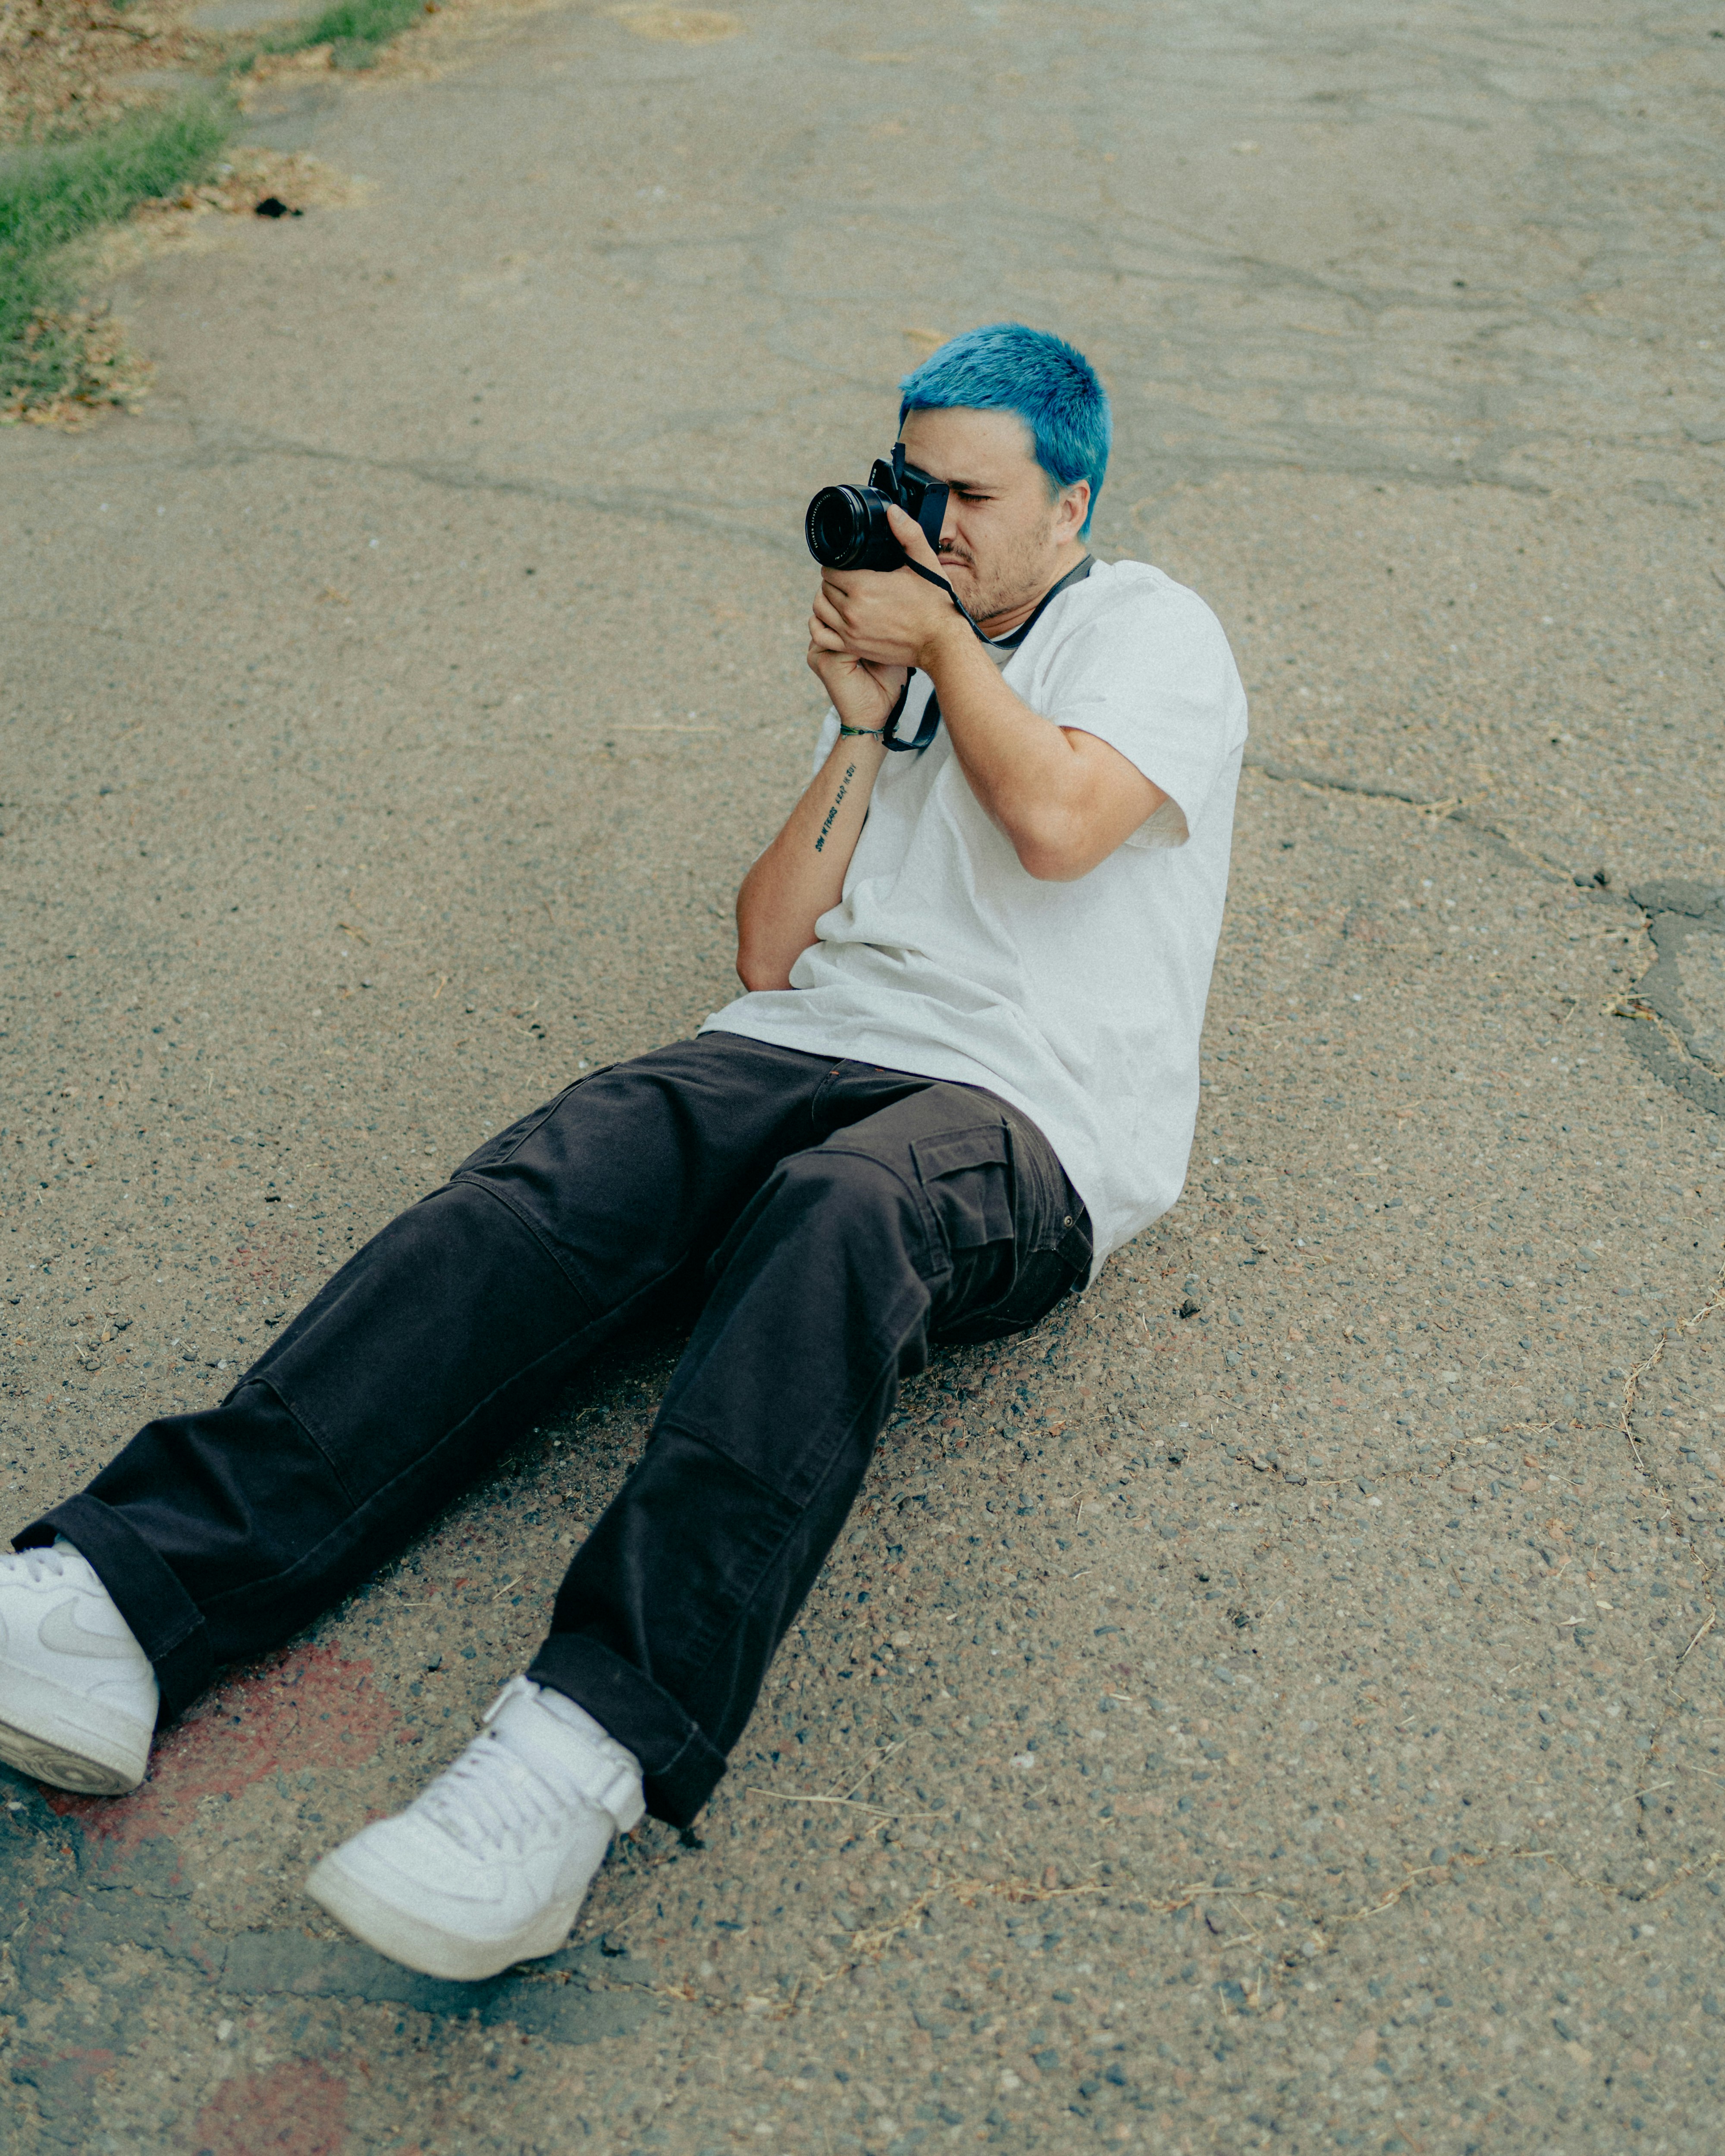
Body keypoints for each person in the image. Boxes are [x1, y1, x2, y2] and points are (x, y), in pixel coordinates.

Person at [0, 324, 1248, 1983]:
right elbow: (771, 946)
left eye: (969, 496)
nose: (929, 523)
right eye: (910, 486)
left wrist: (945, 647)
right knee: (546, 1191)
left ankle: (571, 1760)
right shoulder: (921, 675)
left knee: (841, 1213)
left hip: (1030, 1115)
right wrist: (865, 725)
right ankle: (121, 1594)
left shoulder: (1151, 627)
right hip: (816, 1041)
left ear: (1073, 496)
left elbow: (1061, 825)